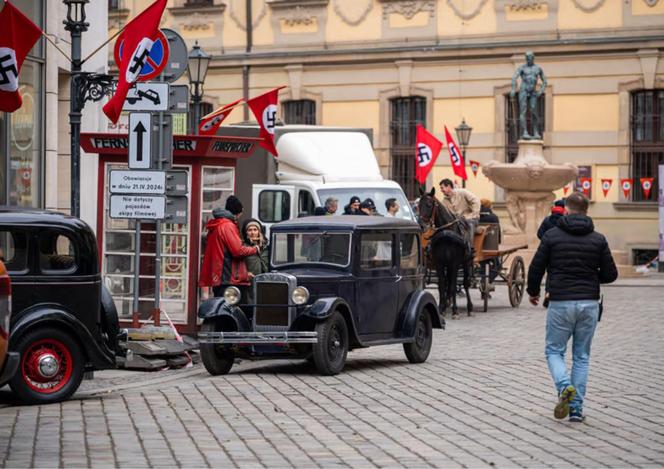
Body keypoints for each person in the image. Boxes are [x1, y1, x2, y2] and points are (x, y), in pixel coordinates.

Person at [527, 192, 618, 423]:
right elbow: (610, 274)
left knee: (554, 351)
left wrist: (533, 291)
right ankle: (576, 409)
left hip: (560, 301)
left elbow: (537, 266)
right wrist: (591, 274)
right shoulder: (598, 238)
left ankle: (564, 385)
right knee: (581, 356)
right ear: (587, 211)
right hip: (589, 303)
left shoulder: (552, 236)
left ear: (565, 209)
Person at [199, 195, 259, 300]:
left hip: (220, 276)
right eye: (241, 212)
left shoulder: (219, 224)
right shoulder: (227, 226)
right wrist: (255, 249)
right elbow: (238, 251)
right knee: (228, 309)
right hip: (227, 277)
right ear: (237, 213)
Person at [510, 51, 547, 139]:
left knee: (534, 111)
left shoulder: (538, 68)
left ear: (533, 58)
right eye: (527, 58)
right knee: (523, 111)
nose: (528, 60)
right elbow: (514, 77)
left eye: (530, 58)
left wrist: (541, 91)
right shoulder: (522, 68)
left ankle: (535, 132)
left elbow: (545, 81)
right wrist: (513, 89)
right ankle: (525, 132)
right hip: (523, 90)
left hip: (533, 91)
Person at [439, 178, 481, 252]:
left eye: (442, 187)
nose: (441, 190)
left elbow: (476, 201)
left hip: (471, 218)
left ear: (448, 186)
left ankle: (469, 248)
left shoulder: (462, 192)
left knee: (470, 225)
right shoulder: (444, 201)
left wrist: (474, 214)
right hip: (456, 221)